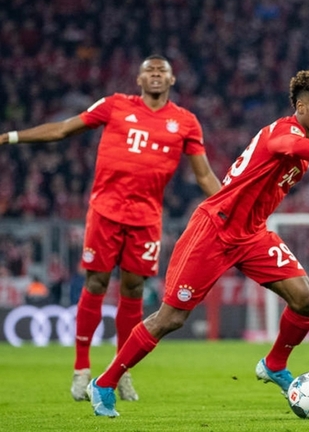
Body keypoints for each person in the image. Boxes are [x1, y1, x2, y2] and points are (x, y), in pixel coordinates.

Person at [85, 69, 309, 417]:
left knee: (305, 299)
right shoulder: (282, 133)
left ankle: (274, 364)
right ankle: (105, 383)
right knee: (170, 318)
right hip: (214, 230)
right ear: (300, 107)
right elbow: (295, 147)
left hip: (252, 234)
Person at [0, 55, 221, 403]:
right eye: (149, 70)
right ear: (139, 79)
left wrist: (232, 206)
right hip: (106, 211)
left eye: (162, 71)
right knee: (96, 283)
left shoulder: (185, 122)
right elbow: (63, 129)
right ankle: (81, 370)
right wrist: (9, 136)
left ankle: (122, 371)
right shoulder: (115, 105)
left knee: (133, 289)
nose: (155, 74)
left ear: (172, 80)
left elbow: (204, 174)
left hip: (146, 218)